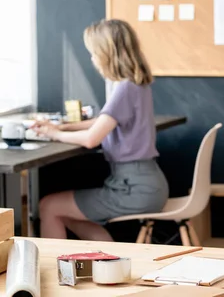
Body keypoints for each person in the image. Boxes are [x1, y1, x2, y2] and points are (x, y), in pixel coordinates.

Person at [33, 19, 169, 241]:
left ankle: (58, 273)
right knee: (66, 214)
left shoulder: (124, 88)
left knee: (49, 206)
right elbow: (104, 120)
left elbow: (91, 138)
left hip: (133, 189)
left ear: (107, 53)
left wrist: (54, 134)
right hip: (145, 183)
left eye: (94, 52)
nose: (92, 58)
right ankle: (111, 260)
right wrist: (63, 126)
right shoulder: (134, 83)